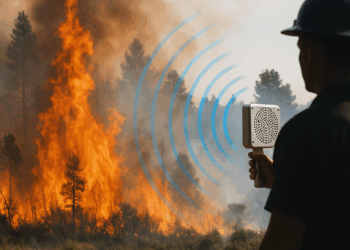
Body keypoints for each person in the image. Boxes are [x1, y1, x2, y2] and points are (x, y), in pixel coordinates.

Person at [247, 0, 350, 249]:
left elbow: (281, 242)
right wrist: (287, 177)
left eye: (299, 47)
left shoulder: (308, 131)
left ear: (310, 50)